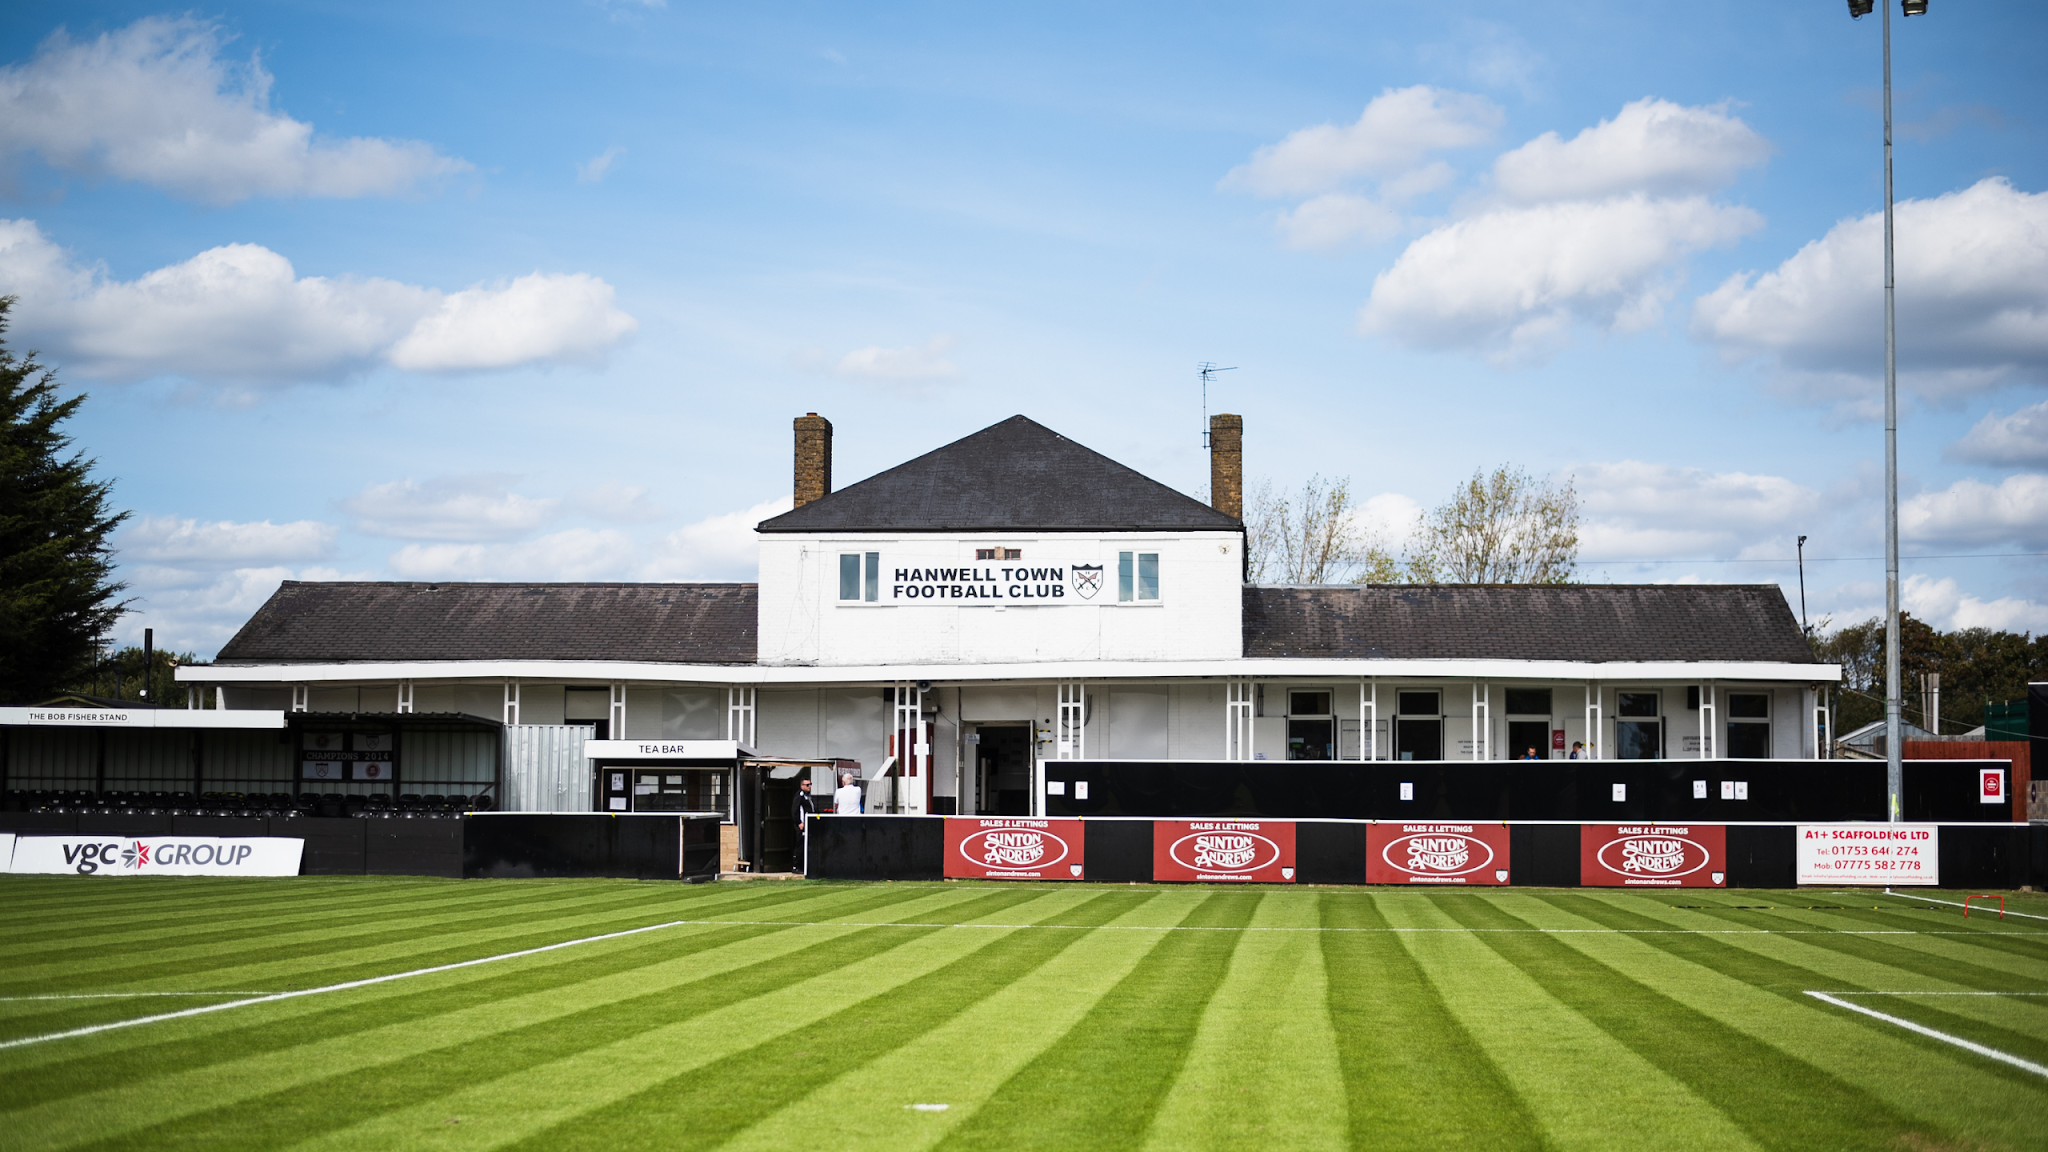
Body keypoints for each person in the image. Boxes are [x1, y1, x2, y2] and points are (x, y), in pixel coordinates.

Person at [791, 777, 818, 873]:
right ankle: (795, 866)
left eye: (810, 784)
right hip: (802, 825)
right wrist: (799, 822)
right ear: (802, 786)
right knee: (800, 845)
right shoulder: (800, 796)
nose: (809, 786)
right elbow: (795, 810)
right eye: (807, 785)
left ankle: (804, 865)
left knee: (806, 844)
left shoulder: (808, 796)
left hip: (808, 823)